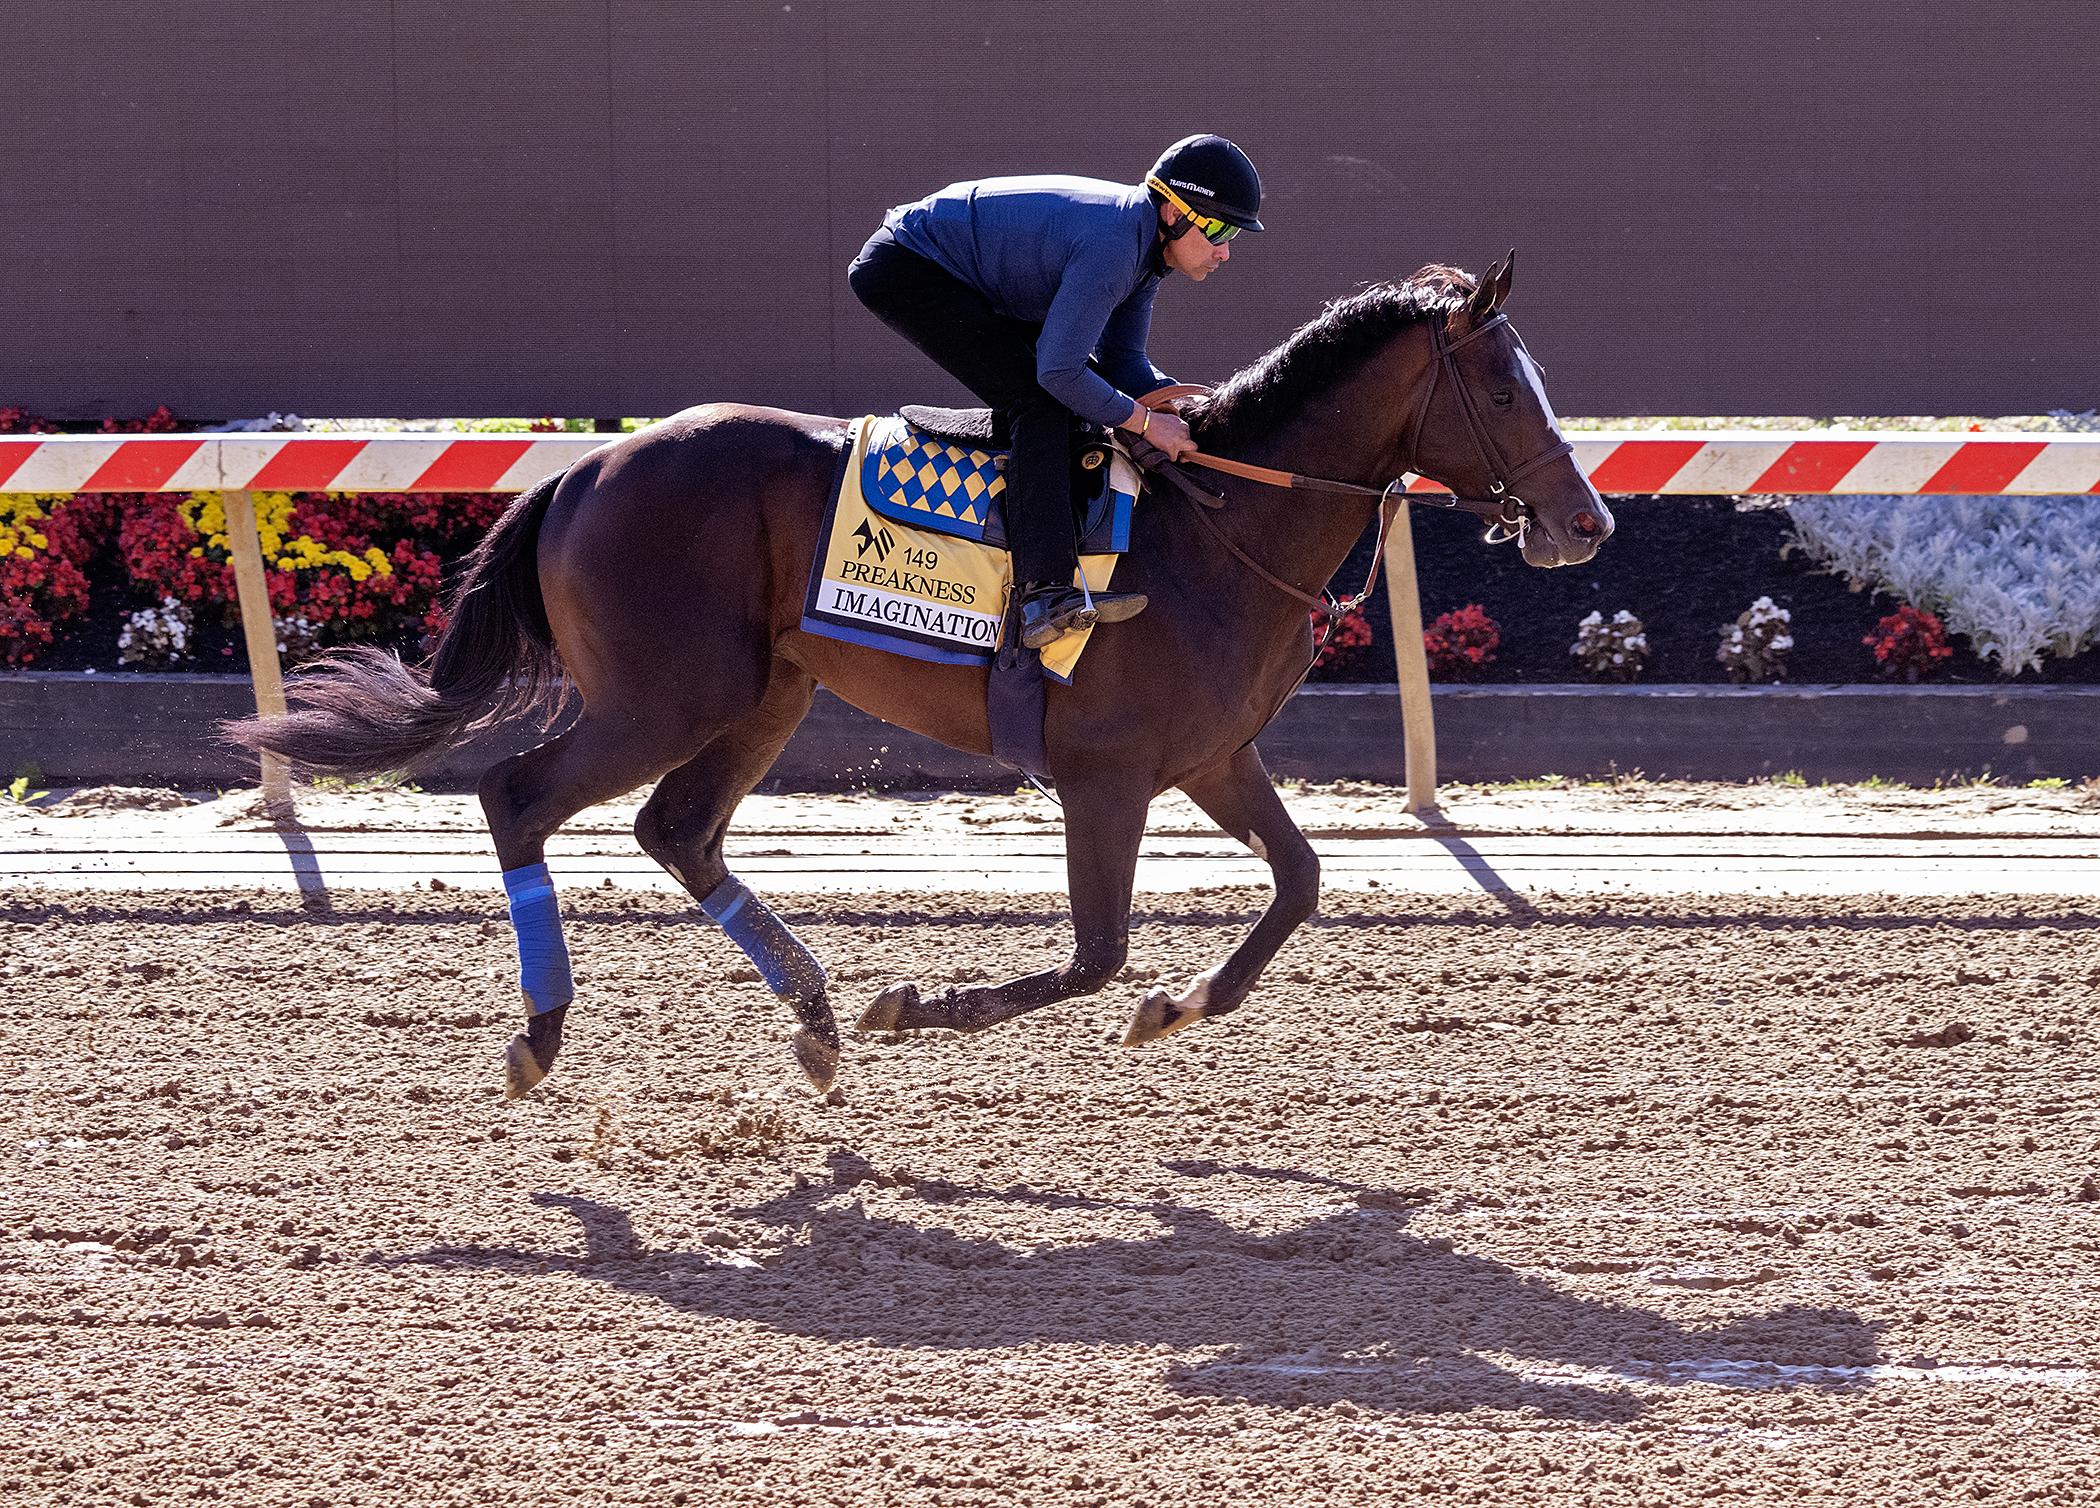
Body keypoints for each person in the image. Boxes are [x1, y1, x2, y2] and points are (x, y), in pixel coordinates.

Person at [848, 134, 1264, 650]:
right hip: (906, 266)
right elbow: (1058, 375)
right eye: (1219, 230)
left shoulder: (1145, 254)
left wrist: (1182, 407)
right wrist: (1143, 422)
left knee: (1080, 390)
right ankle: (1041, 595)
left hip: (964, 273)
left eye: (1235, 236)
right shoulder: (1115, 246)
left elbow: (1124, 364)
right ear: (1172, 213)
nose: (1225, 251)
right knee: (1043, 400)